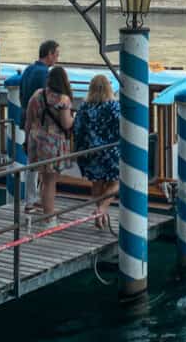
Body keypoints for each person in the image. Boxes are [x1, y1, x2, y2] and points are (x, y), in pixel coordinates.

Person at [23, 66, 75, 226]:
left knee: (44, 179)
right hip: (53, 144)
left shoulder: (37, 95)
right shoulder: (63, 99)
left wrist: (26, 140)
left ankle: (46, 209)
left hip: (36, 140)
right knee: (50, 181)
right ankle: (49, 217)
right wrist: (75, 119)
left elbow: (28, 120)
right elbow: (66, 124)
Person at [73, 75, 121, 229]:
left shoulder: (84, 107)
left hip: (91, 152)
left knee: (97, 183)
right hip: (112, 151)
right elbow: (122, 127)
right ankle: (102, 209)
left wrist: (79, 150)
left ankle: (100, 214)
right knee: (116, 183)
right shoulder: (114, 106)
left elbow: (78, 129)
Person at [19, 40, 59, 129]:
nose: (57, 59)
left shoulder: (28, 69)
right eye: (56, 55)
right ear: (49, 54)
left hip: (25, 116)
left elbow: (21, 94)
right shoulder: (44, 73)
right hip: (37, 122)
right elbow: (46, 99)